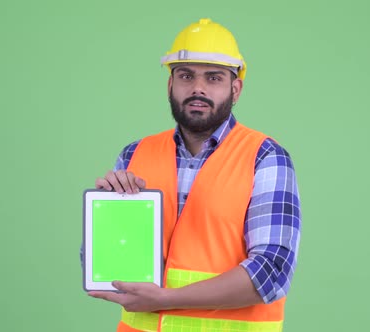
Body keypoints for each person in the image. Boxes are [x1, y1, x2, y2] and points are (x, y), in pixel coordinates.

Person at [88, 18, 302, 332]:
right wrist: (111, 216)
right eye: (186, 76)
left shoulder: (266, 157)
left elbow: (271, 273)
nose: (197, 88)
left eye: (213, 77)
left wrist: (165, 299)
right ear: (170, 84)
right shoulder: (134, 154)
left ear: (235, 88)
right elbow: (105, 273)